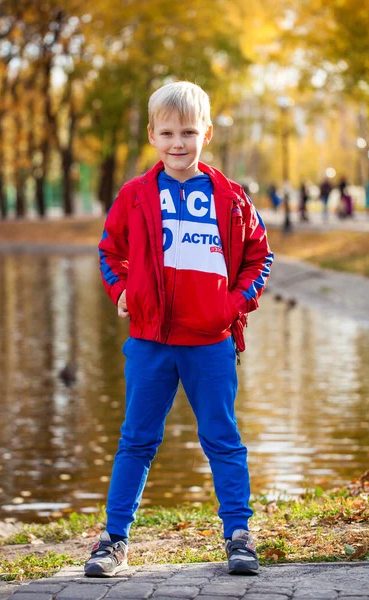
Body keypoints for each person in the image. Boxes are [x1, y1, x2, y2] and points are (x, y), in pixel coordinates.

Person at [84, 81, 273, 578]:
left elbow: (260, 256)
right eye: (167, 132)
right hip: (150, 343)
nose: (178, 142)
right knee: (136, 440)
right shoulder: (135, 195)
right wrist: (121, 289)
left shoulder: (230, 197)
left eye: (188, 131)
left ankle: (238, 535)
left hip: (210, 344)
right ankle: (114, 539)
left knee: (222, 439)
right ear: (152, 134)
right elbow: (110, 251)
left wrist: (234, 305)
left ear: (206, 133)